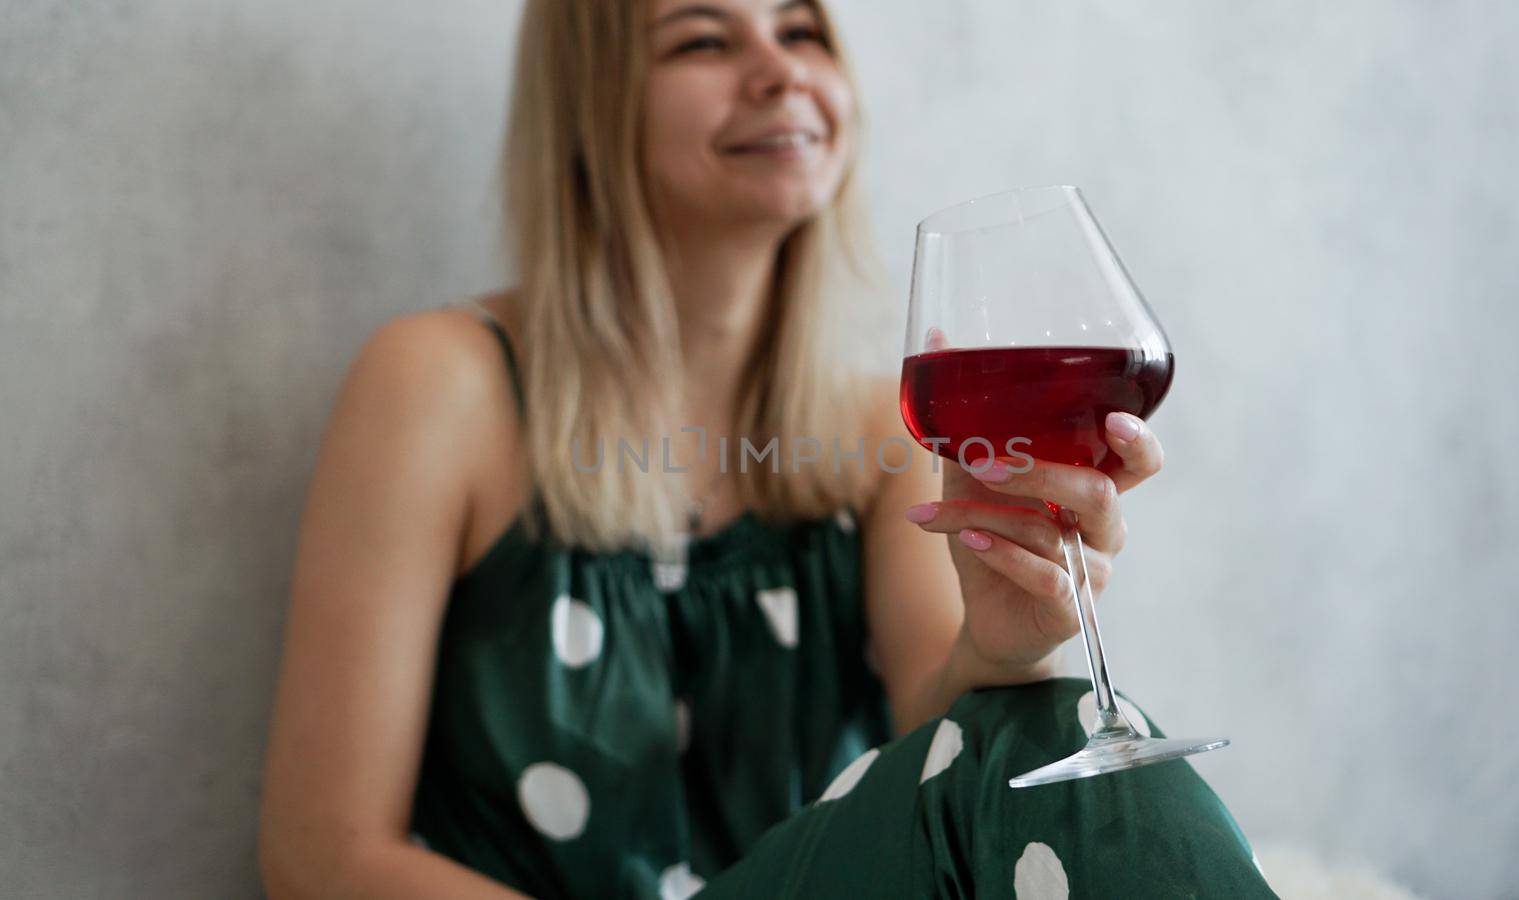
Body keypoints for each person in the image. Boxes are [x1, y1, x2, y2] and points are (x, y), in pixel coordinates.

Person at [257, 0, 1277, 896]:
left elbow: (950, 730)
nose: (781, 69)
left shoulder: (879, 421)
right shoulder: (442, 381)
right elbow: (324, 858)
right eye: (703, 38)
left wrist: (1007, 643)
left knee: (1048, 725)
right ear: (591, 106)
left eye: (799, 27)